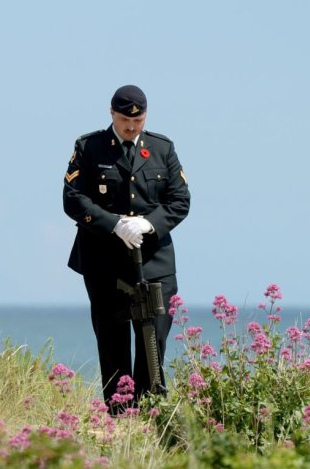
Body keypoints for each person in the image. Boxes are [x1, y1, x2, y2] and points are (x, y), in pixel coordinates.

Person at [63, 85, 191, 410]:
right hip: (105, 262)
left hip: (154, 261)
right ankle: (119, 419)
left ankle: (149, 413)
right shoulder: (89, 147)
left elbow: (180, 200)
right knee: (113, 343)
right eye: (125, 120)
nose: (132, 127)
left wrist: (149, 223)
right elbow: (73, 199)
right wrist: (114, 224)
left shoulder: (162, 148)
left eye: (138, 120)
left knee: (153, 341)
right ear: (112, 114)